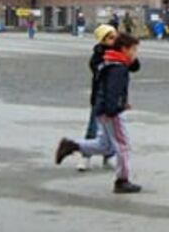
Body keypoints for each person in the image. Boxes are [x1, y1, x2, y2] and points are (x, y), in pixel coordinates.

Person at [55, 33, 143, 193]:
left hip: (101, 108)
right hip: (110, 111)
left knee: (105, 145)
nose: (135, 53)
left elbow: (109, 88)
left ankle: (72, 145)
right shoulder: (117, 67)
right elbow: (112, 91)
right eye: (134, 49)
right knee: (122, 145)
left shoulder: (109, 62)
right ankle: (122, 180)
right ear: (124, 49)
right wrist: (115, 108)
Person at [77, 25, 142, 171]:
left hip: (114, 101)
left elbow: (135, 67)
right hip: (102, 100)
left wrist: (129, 54)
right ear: (103, 40)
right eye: (110, 37)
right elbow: (104, 76)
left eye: (115, 36)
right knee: (95, 129)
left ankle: (109, 157)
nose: (114, 39)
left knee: (110, 136)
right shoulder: (100, 56)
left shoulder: (121, 53)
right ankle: (85, 156)